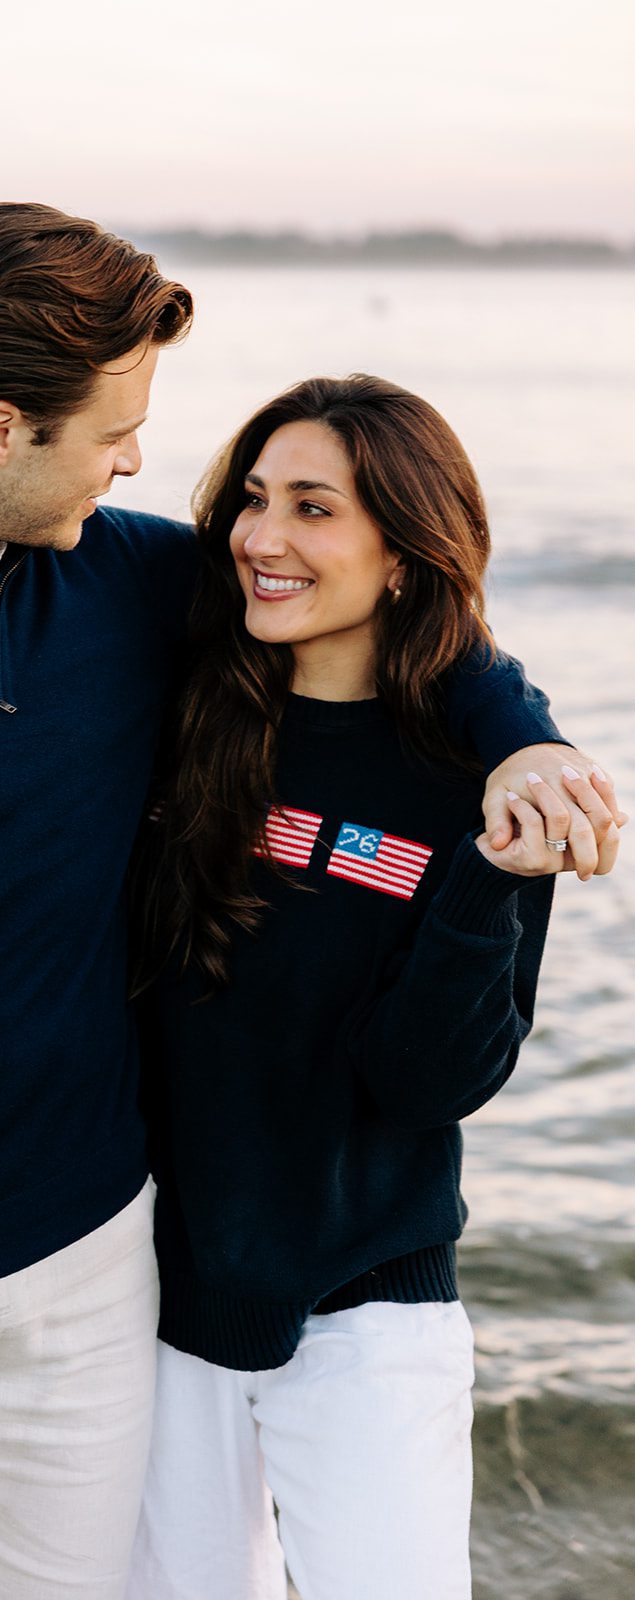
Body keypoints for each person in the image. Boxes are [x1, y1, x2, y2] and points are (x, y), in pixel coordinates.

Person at [0, 208, 619, 1600]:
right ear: (0, 428)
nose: (142, 465)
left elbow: (387, 600)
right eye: (114, 431)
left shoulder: (115, 580)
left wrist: (522, 737)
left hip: (95, 1276)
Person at [125, 374, 622, 1600]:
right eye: (251, 499)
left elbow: (427, 1083)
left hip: (365, 1312)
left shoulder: (478, 784)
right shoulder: (179, 700)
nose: (263, 538)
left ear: (402, 554)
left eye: (313, 507)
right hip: (145, 1303)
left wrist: (477, 883)